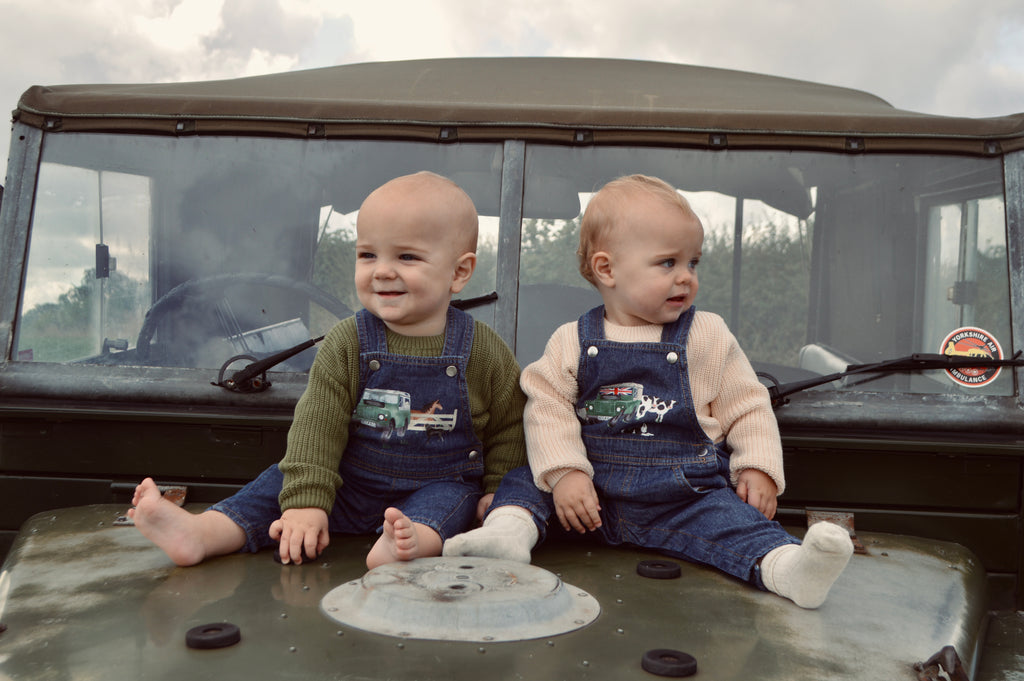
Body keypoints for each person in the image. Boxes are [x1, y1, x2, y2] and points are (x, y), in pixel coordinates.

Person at [444, 174, 853, 609]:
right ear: (607, 269)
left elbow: (748, 405)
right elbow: (547, 408)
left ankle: (789, 569)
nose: (686, 278)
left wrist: (758, 466)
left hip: (683, 496)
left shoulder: (707, 335)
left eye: (693, 263)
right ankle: (506, 535)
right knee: (526, 482)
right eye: (668, 263)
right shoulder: (571, 340)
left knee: (736, 521)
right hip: (588, 495)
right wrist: (566, 474)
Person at [130, 171, 527, 569]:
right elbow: (318, 423)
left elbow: (509, 427)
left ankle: (406, 545)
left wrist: (498, 491)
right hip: (347, 485)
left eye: (406, 257)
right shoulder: (347, 342)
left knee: (456, 501)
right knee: (278, 483)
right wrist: (306, 503)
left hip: (437, 485)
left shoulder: (484, 350)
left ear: (459, 272)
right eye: (368, 255)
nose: (382, 271)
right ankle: (203, 533)